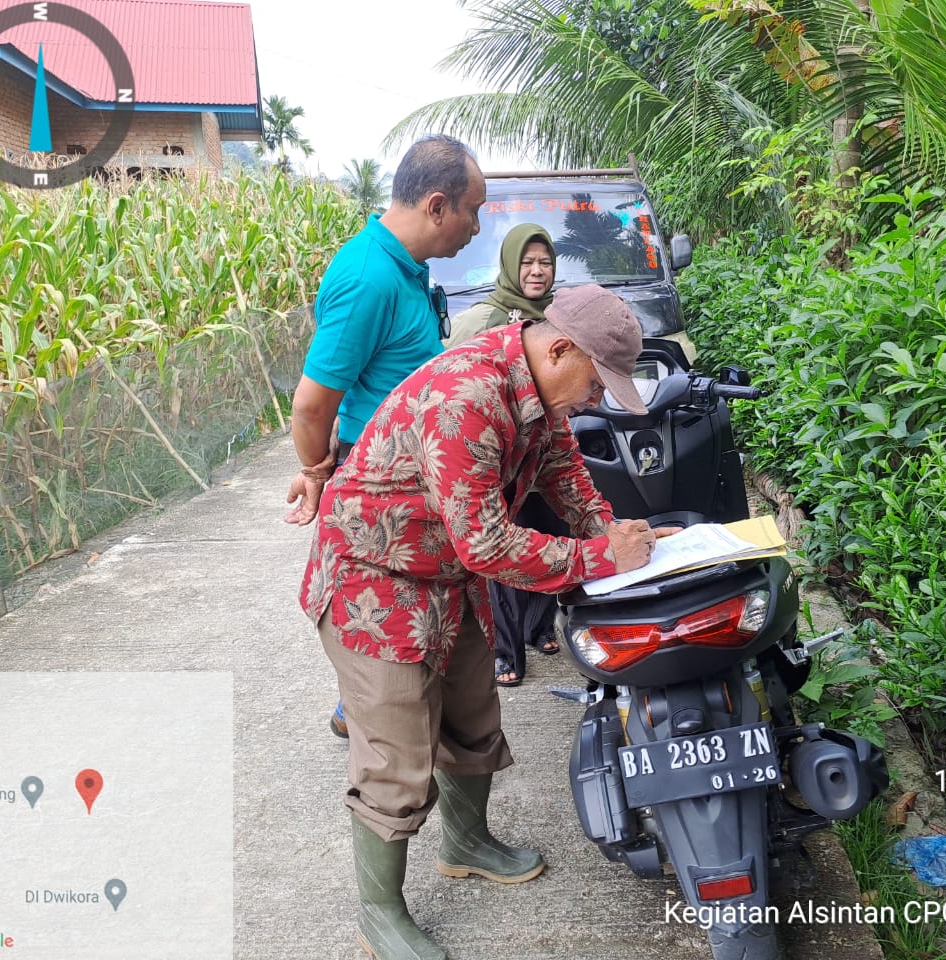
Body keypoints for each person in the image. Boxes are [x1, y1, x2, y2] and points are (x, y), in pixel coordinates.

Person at [299, 284, 670, 960]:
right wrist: (597, 559)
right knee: (396, 754)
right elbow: (488, 543)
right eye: (597, 381)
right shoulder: (468, 397)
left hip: (443, 573)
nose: (597, 400)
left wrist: (621, 536)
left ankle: (466, 844)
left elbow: (566, 476)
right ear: (560, 348)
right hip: (373, 583)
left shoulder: (540, 393)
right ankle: (379, 914)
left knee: (473, 715)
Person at [283, 134, 486, 739]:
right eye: (472, 209)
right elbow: (313, 404)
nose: (476, 227)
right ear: (436, 206)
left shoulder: (407, 269)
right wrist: (318, 474)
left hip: (413, 480)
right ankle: (367, 714)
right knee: (385, 637)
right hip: (378, 490)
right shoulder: (369, 276)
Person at [445, 224, 563, 686]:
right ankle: (506, 652)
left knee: (554, 534)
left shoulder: (560, 317)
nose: (536, 271)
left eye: (545, 262)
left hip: (542, 456)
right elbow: (450, 388)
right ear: (511, 265)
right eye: (527, 262)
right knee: (506, 556)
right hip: (497, 459)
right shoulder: (482, 319)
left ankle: (537, 629)